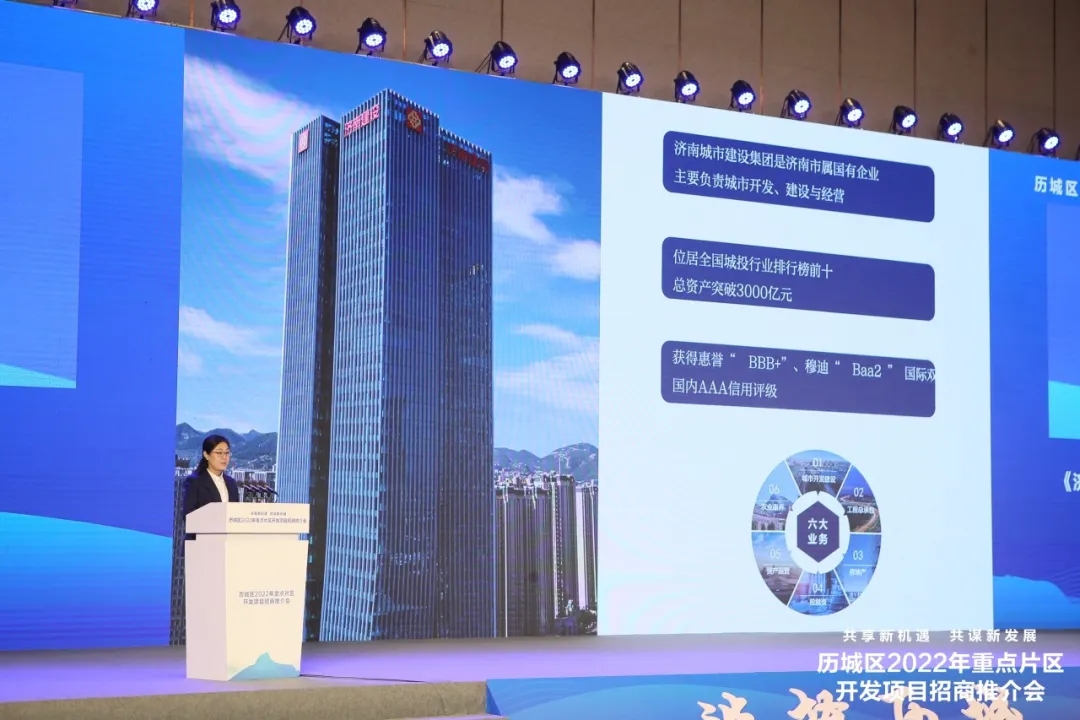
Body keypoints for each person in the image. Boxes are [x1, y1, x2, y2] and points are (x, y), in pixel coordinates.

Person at [183, 434, 240, 518]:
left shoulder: (231, 483)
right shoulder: (194, 482)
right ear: (206, 455)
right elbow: (188, 516)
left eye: (227, 453)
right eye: (219, 453)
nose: (224, 457)